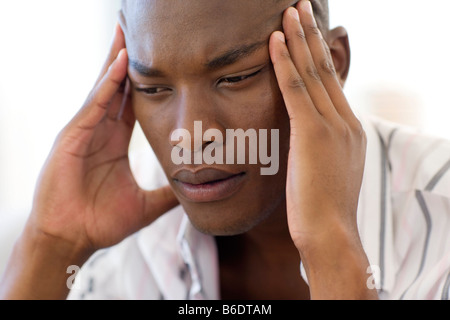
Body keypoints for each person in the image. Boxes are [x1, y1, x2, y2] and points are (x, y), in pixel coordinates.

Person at [0, 0, 449, 300]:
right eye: (153, 87)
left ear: (332, 63)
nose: (191, 137)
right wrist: (52, 247)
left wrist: (332, 249)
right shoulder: (125, 241)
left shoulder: (439, 227)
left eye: (234, 78)